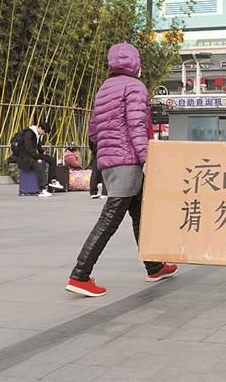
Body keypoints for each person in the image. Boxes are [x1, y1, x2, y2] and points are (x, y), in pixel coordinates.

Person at [66, 43, 178, 297]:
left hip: (110, 160)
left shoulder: (105, 88)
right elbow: (136, 125)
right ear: (136, 63)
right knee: (110, 218)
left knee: (139, 213)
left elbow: (93, 130)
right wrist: (146, 158)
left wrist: (102, 156)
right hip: (128, 161)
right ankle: (80, 274)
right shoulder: (135, 87)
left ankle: (154, 266)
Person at [17, 121, 53, 197]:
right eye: (44, 132)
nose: (43, 133)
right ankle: (41, 190)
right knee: (39, 168)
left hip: (31, 156)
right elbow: (28, 148)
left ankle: (53, 181)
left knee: (51, 160)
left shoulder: (37, 134)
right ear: (39, 128)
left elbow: (39, 147)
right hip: (25, 158)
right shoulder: (29, 133)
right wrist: (37, 158)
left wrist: (43, 152)